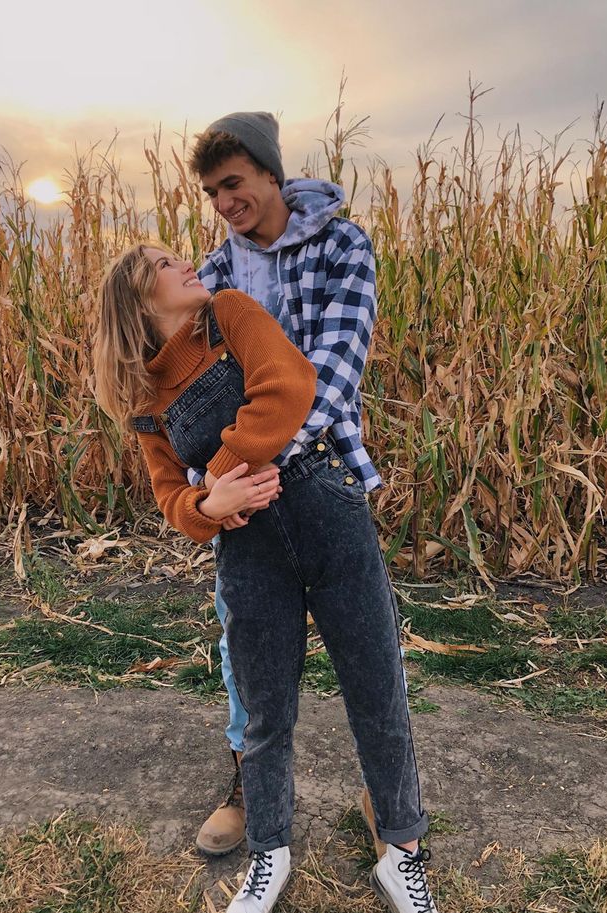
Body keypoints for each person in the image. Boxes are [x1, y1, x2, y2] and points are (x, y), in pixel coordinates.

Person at [93, 243, 440, 913]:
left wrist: (220, 470)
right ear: (139, 300)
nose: (184, 262)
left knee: (377, 687)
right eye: (164, 264)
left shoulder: (230, 314)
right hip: (245, 547)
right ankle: (269, 854)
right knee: (262, 708)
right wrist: (208, 506)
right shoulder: (144, 403)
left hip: (326, 509)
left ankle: (402, 855)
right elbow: (171, 496)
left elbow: (287, 387)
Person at [186, 112, 393, 862]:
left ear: (273, 174)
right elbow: (190, 391)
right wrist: (217, 482)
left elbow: (338, 370)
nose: (225, 202)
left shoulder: (343, 244)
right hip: (244, 485)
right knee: (247, 650)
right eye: (212, 192)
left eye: (234, 184)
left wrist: (273, 458)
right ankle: (251, 782)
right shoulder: (210, 277)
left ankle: (385, 794)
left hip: (322, 471)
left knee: (365, 658)